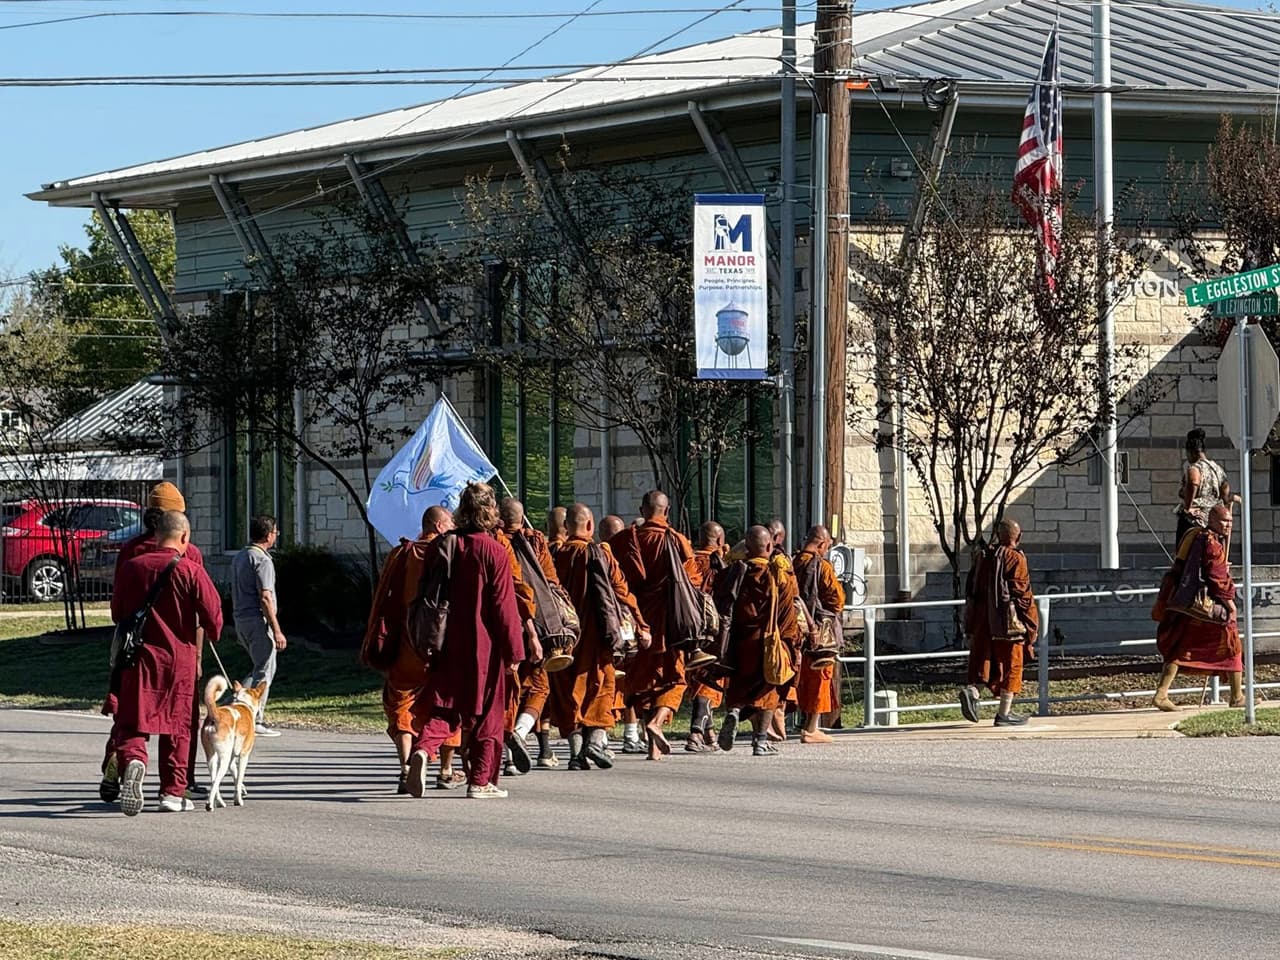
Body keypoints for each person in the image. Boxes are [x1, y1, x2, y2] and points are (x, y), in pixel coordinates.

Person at [407, 483, 525, 800]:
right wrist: (515, 648)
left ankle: (423, 749)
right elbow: (503, 605)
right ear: (491, 512)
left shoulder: (442, 545)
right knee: (488, 713)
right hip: (483, 645)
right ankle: (481, 780)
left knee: (445, 706)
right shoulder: (494, 551)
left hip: (445, 640)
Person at [98, 481, 208, 805]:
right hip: (178, 651)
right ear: (177, 518)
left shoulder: (131, 551)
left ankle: (118, 762)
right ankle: (177, 785)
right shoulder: (189, 554)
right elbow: (201, 611)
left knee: (130, 715)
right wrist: (199, 654)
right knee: (181, 718)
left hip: (134, 651)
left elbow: (118, 609)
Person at [362, 505, 465, 793]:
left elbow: (385, 597)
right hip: (443, 643)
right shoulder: (452, 552)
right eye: (451, 522)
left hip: (408, 642)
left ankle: (406, 766)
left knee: (401, 700)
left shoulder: (402, 553)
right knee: (446, 703)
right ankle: (445, 770)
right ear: (441, 525)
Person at [548, 503, 649, 770]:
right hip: (596, 636)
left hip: (564, 638)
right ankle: (595, 742)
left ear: (566, 527)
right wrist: (640, 624)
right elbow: (621, 591)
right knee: (601, 687)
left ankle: (576, 754)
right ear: (590, 526)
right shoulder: (600, 553)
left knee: (568, 692)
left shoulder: (554, 554)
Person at [609, 490, 693, 761]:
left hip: (634, 624)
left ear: (642, 509)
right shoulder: (677, 541)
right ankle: (656, 723)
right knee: (675, 679)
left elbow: (614, 579)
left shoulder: (624, 540)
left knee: (641, 682)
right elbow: (693, 583)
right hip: (670, 624)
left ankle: (652, 746)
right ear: (666, 512)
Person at [717, 526, 801, 756]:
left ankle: (734, 712)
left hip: (738, 642)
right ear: (769, 546)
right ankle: (760, 741)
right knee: (768, 692)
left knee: (740, 687)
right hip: (768, 643)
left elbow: (720, 601)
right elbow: (787, 616)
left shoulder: (734, 573)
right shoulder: (778, 575)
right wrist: (791, 645)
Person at [1154, 504, 1245, 711]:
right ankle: (1237, 696)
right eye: (1224, 521)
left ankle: (1161, 694)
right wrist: (1230, 605)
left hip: (1186, 602)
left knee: (1183, 647)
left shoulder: (1197, 536)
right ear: (1211, 520)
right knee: (1232, 645)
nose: (1229, 525)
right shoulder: (1211, 543)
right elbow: (1217, 578)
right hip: (1205, 605)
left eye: (1231, 521)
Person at [958, 518, 1038, 727]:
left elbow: (971, 589)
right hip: (1007, 623)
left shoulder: (983, 556)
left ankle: (973, 691)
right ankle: (1004, 713)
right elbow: (1023, 595)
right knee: (1013, 665)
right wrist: (1031, 625)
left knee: (988, 661)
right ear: (1018, 538)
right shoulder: (1015, 558)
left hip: (982, 622)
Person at [496, 498, 551, 776]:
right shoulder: (535, 543)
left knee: (506, 691)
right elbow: (548, 584)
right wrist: (534, 632)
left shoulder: (486, 541)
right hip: (530, 628)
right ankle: (519, 731)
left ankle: (507, 756)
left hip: (494, 628)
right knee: (539, 686)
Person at [230, 515, 286, 737]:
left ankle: (235, 703)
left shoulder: (241, 556)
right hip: (257, 620)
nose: (276, 536)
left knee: (258, 667)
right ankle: (255, 716)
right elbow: (265, 597)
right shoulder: (262, 560)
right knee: (265, 670)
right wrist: (277, 629)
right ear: (268, 534)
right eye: (275, 532)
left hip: (240, 618)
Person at [793, 525, 845, 744]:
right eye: (826, 546)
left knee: (799, 676)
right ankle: (811, 727)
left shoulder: (792, 562)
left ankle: (786, 724)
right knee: (820, 676)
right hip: (817, 629)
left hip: (795, 628)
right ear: (822, 544)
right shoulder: (821, 566)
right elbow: (837, 599)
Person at [684, 520, 726, 753]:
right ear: (719, 541)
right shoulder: (717, 564)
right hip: (713, 630)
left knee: (700, 680)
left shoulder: (688, 562)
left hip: (689, 631)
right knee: (709, 682)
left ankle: (709, 735)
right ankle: (696, 733)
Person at [1176, 428, 1233, 549]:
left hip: (1195, 519)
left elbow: (1193, 482)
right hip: (1213, 519)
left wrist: (1187, 508)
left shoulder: (1195, 468)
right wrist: (1224, 505)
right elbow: (1225, 490)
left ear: (1191, 452)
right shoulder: (1217, 469)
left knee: (1184, 551)